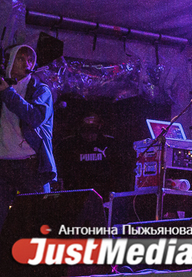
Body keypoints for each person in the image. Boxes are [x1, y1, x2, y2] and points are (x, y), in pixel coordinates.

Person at [0, 44, 57, 230]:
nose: (27, 63)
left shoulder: (41, 90)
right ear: (10, 62)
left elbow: (35, 117)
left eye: (30, 60)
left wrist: (8, 93)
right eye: (21, 58)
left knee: (37, 220)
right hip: (3, 164)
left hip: (30, 164)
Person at [55, 113, 125, 201]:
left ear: (99, 128)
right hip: (76, 194)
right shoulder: (67, 145)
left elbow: (119, 170)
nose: (89, 135)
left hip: (104, 194)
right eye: (85, 130)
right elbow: (61, 171)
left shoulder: (110, 143)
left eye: (93, 130)